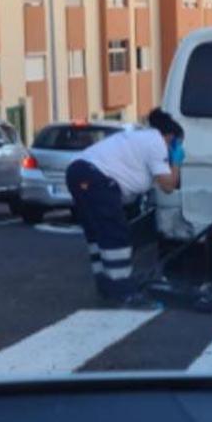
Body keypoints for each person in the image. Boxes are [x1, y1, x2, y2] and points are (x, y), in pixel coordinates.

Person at [66, 108, 185, 309]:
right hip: (97, 178)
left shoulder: (140, 137)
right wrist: (176, 161)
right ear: (170, 137)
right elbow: (168, 185)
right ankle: (124, 291)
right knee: (116, 233)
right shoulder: (156, 142)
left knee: (98, 234)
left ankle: (106, 284)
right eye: (176, 143)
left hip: (78, 172)